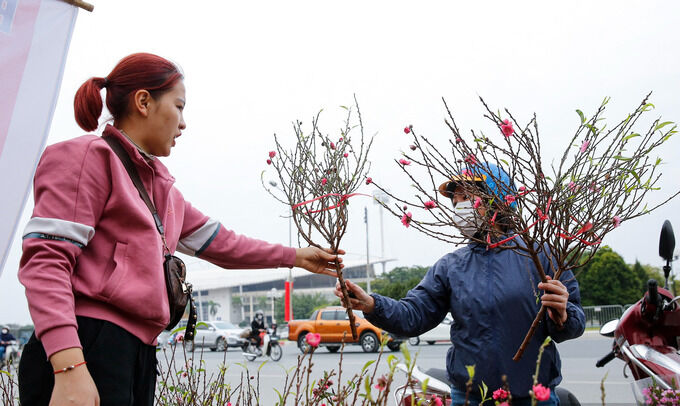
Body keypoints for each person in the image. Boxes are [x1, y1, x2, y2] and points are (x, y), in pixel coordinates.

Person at [17, 52, 344, 406]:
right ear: (144, 102)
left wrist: (295, 257)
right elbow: (46, 262)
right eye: (179, 106)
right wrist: (69, 368)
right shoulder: (88, 157)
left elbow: (222, 243)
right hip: (87, 348)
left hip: (138, 352)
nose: (183, 123)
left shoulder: (164, 192)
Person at [334, 163, 585, 406]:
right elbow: (413, 314)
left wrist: (563, 315)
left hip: (533, 397)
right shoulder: (451, 267)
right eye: (455, 202)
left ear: (497, 200)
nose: (459, 208)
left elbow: (574, 320)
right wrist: (372, 304)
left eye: (467, 198)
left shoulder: (541, 257)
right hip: (471, 397)